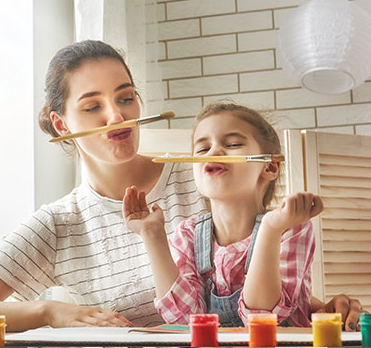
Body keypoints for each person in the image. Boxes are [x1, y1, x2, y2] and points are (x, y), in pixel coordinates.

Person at [0, 40, 365, 331]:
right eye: (92, 106)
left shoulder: (206, 174)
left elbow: (254, 280)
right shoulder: (58, 225)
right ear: (61, 125)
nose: (116, 116)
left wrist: (321, 309)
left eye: (125, 98)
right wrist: (48, 311)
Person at [124, 102, 322, 327]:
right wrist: (152, 236)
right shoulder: (187, 235)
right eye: (202, 149)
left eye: (233, 144)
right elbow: (187, 320)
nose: (213, 151)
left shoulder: (290, 227)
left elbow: (264, 319)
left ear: (269, 167)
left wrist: (270, 230)